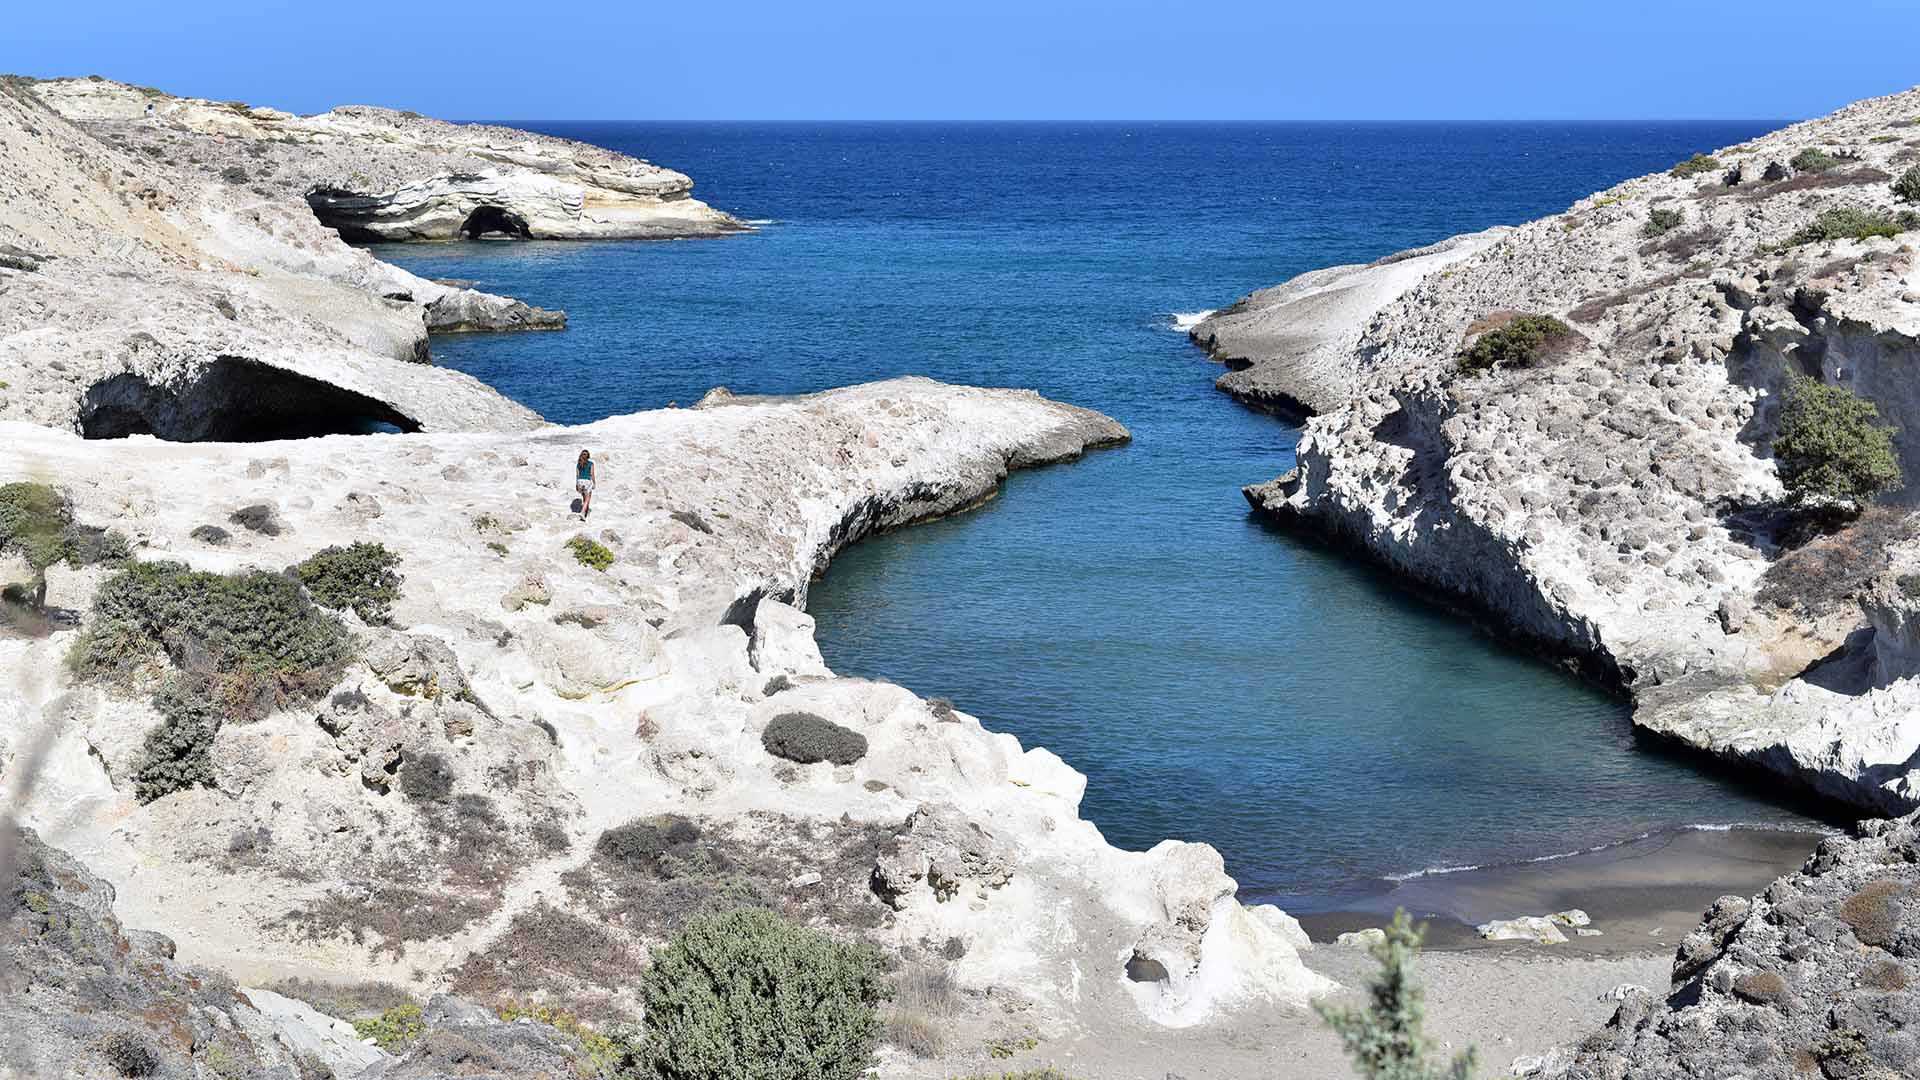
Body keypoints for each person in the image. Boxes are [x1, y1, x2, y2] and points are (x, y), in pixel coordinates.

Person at [574, 450, 596, 520]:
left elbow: (577, 475)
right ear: (588, 456)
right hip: (587, 481)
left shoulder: (578, 464)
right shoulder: (591, 463)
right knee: (588, 498)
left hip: (580, 481)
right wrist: (594, 482)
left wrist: (577, 484)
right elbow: (592, 474)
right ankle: (582, 512)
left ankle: (586, 511)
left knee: (584, 498)